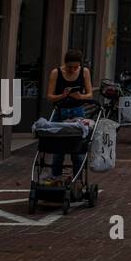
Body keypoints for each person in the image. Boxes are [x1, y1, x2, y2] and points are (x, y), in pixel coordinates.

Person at [45, 49, 94, 180]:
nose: (72, 69)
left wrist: (80, 96)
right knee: (58, 149)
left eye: (75, 67)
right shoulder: (56, 73)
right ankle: (56, 176)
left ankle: (77, 179)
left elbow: (90, 94)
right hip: (60, 111)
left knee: (77, 149)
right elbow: (49, 96)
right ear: (65, 64)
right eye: (69, 67)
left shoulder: (84, 72)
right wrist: (63, 95)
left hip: (77, 111)